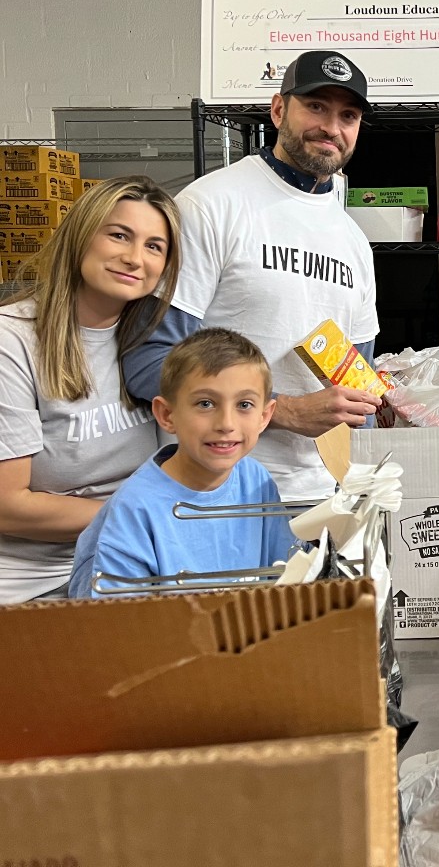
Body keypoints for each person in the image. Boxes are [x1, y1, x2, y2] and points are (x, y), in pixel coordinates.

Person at [124, 50, 381, 501]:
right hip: (214, 496)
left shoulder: (354, 242)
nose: (331, 127)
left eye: (348, 116)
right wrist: (281, 410)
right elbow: (148, 362)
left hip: (323, 498)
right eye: (316, 106)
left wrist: (366, 479)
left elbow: (360, 388)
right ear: (278, 110)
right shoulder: (211, 205)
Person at [0, 175, 181, 602]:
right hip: (34, 587)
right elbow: (8, 506)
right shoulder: (13, 340)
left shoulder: (155, 345)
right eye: (119, 235)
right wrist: (145, 514)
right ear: (81, 235)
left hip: (128, 563)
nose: (134, 258)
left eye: (154, 246)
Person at [70, 328, 294, 597]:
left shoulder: (256, 481)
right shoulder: (133, 512)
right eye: (205, 404)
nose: (226, 424)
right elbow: (118, 619)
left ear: (264, 416)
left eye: (244, 405)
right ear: (167, 414)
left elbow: (288, 578)